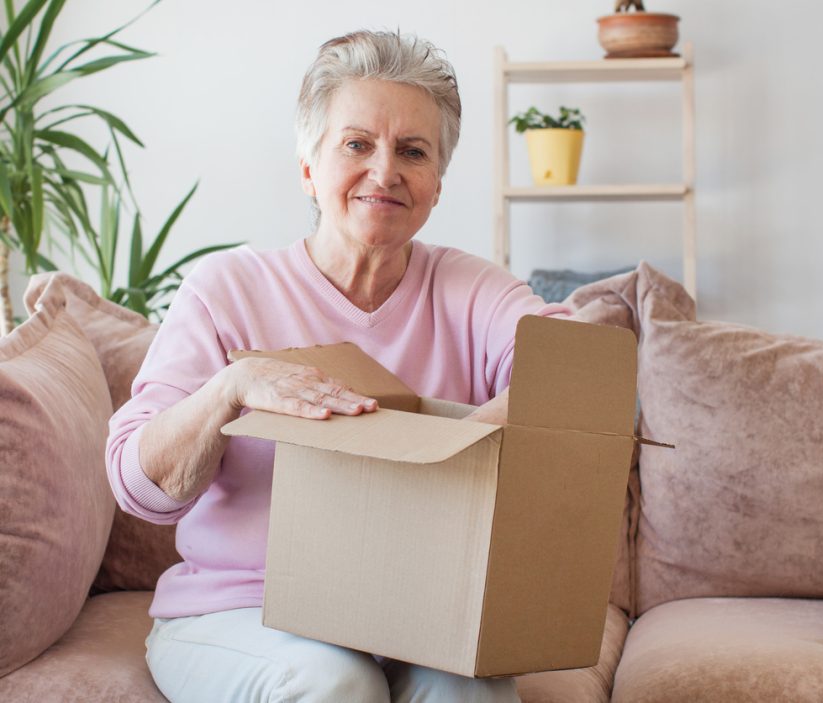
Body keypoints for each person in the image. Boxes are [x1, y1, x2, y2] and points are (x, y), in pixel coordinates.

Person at [106, 30, 568, 702]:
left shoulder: (471, 290)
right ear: (308, 166)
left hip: (413, 611)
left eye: (413, 151)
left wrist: (453, 444)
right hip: (243, 609)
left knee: (475, 691)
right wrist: (231, 389)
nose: (385, 172)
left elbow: (574, 367)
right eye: (357, 144)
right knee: (334, 681)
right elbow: (137, 485)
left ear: (436, 183)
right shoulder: (226, 288)